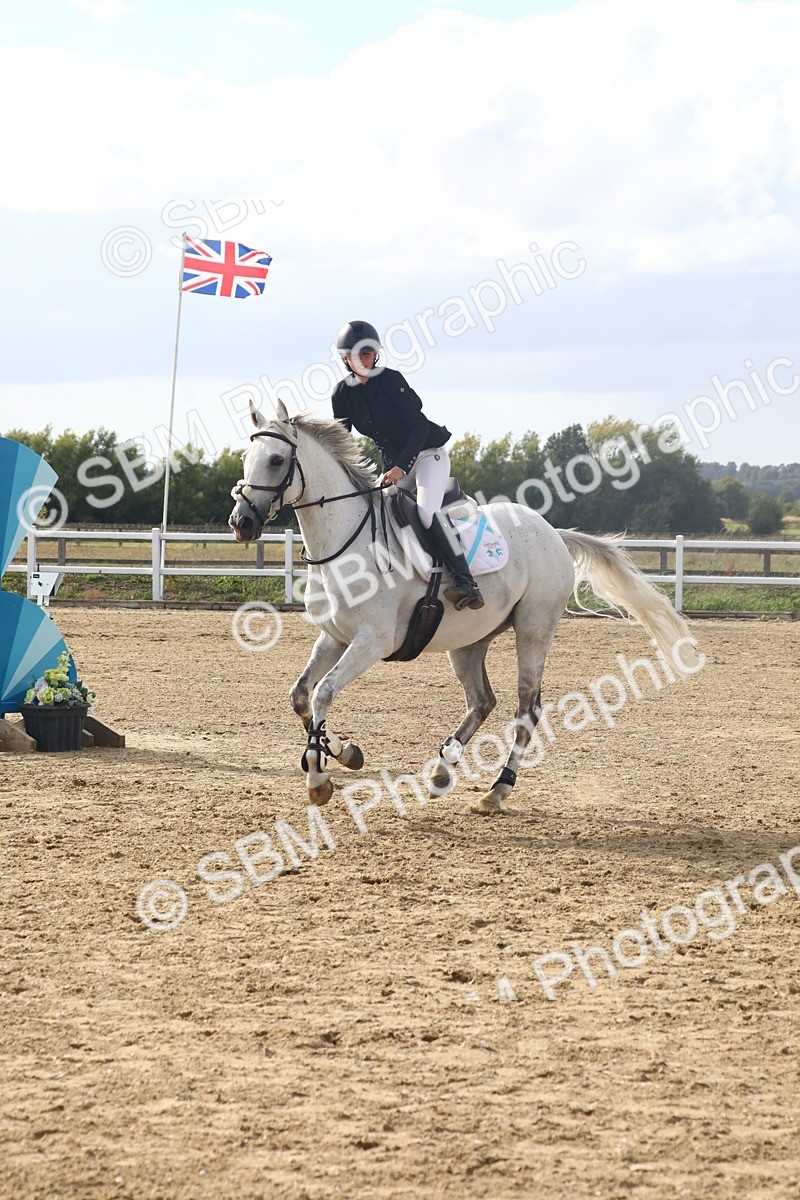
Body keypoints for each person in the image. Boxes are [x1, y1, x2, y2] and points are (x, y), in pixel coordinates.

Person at [330, 319, 484, 611]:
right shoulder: (342, 394)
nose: (364, 359)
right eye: (357, 354)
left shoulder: (391, 381)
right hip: (392, 465)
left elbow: (419, 428)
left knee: (426, 514)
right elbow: (342, 443)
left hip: (428, 455)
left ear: (375, 354)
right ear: (345, 358)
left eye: (368, 353)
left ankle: (466, 580)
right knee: (377, 514)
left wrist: (402, 467)